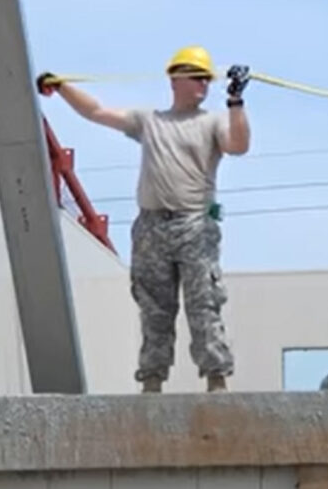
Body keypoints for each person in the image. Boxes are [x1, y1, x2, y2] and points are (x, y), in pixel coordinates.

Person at [35, 45, 252, 394]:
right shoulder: (150, 121)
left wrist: (236, 102)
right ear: (175, 78)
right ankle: (152, 381)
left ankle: (216, 379)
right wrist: (61, 87)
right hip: (152, 226)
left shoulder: (211, 122)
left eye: (206, 79)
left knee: (204, 304)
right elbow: (98, 112)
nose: (202, 85)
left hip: (194, 224)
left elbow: (238, 145)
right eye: (196, 77)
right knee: (154, 308)